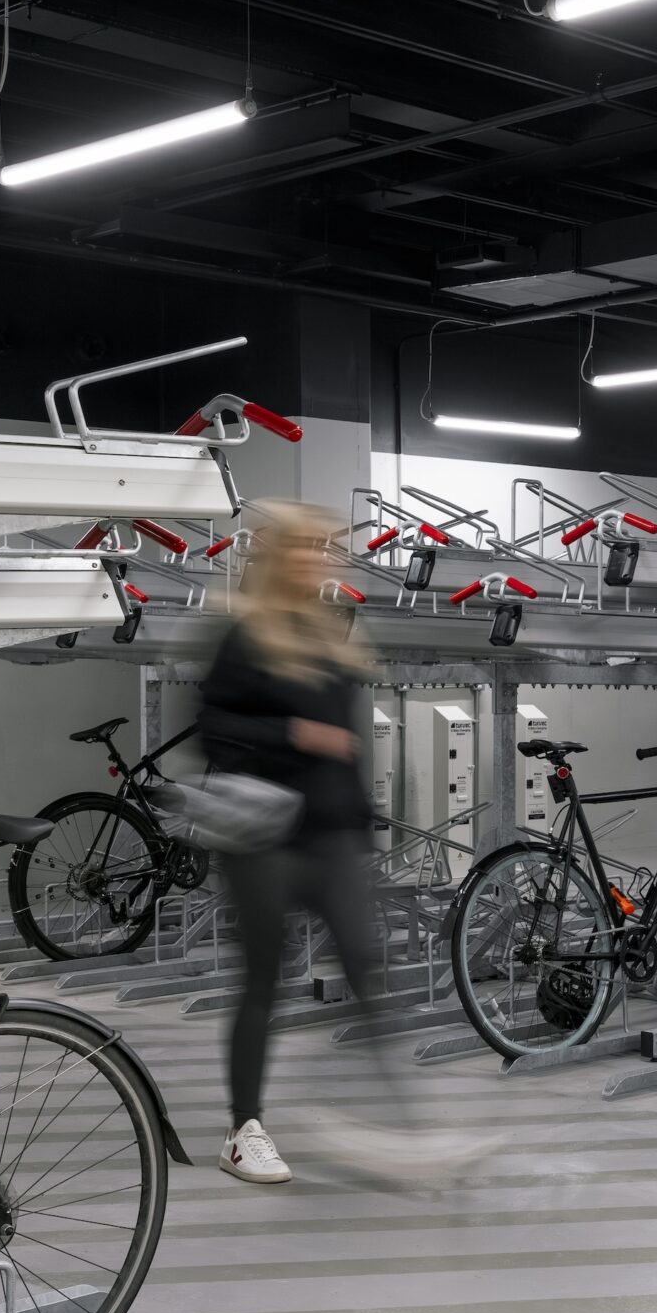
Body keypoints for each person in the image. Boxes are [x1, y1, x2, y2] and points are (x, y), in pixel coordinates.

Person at [196, 500, 401, 1185]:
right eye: (308, 546)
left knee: (367, 968)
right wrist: (290, 733)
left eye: (326, 547)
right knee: (263, 980)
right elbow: (209, 727)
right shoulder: (246, 634)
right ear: (280, 554)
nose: (320, 557)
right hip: (265, 836)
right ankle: (242, 1129)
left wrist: (360, 820)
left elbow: (346, 746)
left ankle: (402, 1120)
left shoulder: (333, 629)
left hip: (332, 833)